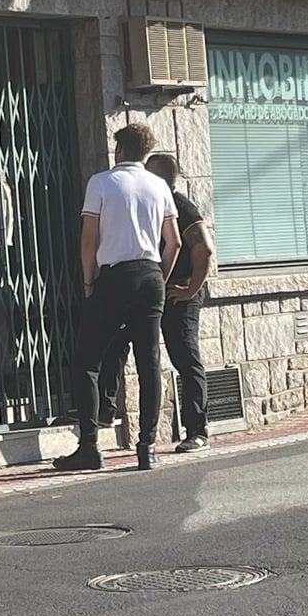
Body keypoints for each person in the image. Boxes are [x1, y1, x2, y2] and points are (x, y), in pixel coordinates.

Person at [53, 124, 181, 472]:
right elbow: (174, 242)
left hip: (115, 276)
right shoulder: (159, 186)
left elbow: (88, 240)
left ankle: (89, 446)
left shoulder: (101, 183)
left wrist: (88, 282)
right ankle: (147, 446)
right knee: (148, 361)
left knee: (87, 360)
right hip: (150, 274)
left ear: (120, 149)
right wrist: (159, 278)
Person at [98, 153, 214, 452]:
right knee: (116, 341)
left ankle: (197, 430)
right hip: (151, 290)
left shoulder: (180, 207)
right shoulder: (152, 203)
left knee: (184, 356)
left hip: (177, 292)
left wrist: (190, 290)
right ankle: (104, 410)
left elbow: (204, 249)